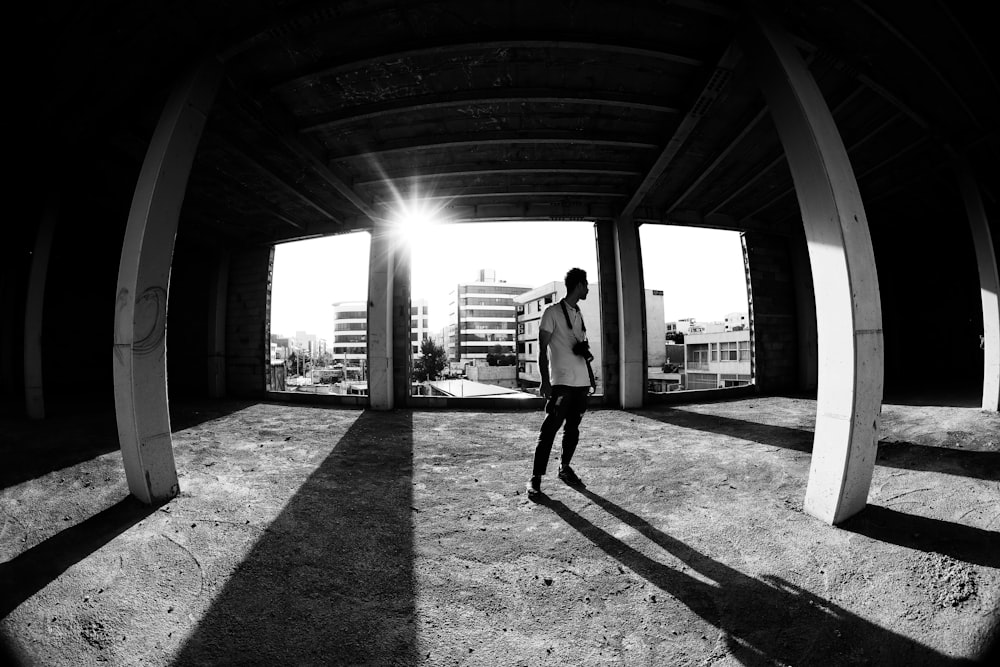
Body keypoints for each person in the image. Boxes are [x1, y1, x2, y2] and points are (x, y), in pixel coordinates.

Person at [527, 267, 596, 498]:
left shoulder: (579, 312)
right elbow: (541, 348)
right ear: (578, 285)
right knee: (549, 431)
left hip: (581, 382)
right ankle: (535, 479)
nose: (587, 289)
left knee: (573, 429)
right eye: (585, 285)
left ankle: (564, 468)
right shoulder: (552, 312)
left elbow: (579, 346)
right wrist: (544, 381)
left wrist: (590, 377)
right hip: (562, 382)